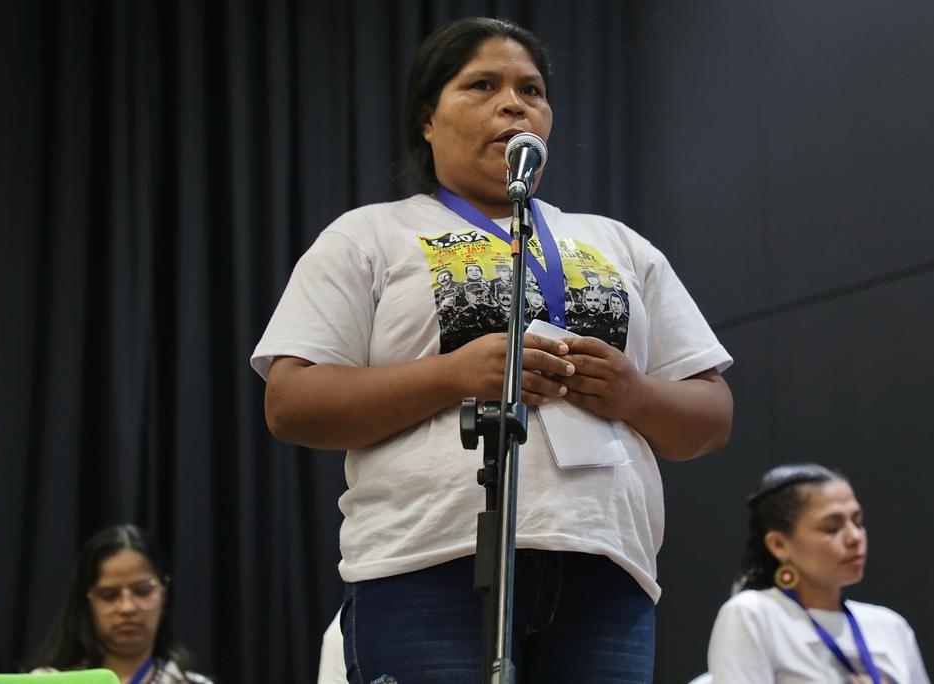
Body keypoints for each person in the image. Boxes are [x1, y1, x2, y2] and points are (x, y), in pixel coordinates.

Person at [252, 16, 733, 683]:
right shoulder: (370, 235)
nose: (514, 103)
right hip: (426, 567)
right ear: (427, 118)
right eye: (482, 84)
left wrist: (636, 393)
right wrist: (454, 374)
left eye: (531, 90)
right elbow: (290, 402)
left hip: (605, 570)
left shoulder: (617, 243)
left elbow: (711, 411)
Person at [706, 464, 930, 683]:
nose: (854, 537)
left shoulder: (891, 627)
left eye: (858, 521)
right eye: (831, 528)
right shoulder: (753, 615)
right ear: (778, 545)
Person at [30, 524, 212, 684]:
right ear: (87, 602)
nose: (127, 607)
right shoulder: (49, 681)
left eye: (143, 591)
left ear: (164, 594)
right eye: (109, 595)